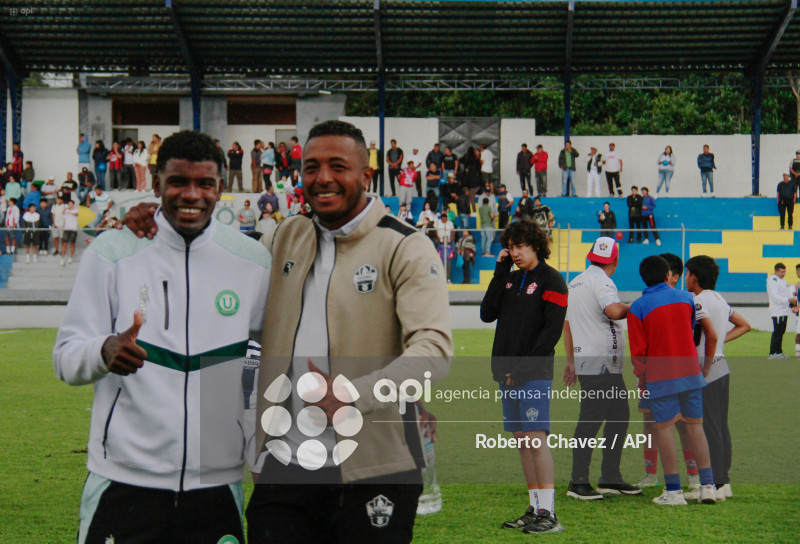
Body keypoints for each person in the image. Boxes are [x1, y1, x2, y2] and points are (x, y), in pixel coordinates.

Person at [241, 120, 451, 544]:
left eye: (338, 166)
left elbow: (434, 350)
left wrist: (356, 395)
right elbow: (227, 296)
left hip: (377, 465)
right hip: (288, 460)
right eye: (311, 167)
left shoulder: (404, 245)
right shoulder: (283, 236)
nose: (323, 178)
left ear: (366, 176)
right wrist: (156, 222)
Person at [55, 130, 270, 544]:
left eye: (205, 183)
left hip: (216, 484)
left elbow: (270, 363)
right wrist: (103, 350)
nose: (192, 194)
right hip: (123, 480)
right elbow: (65, 356)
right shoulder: (113, 253)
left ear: (220, 188)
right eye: (178, 182)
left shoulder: (251, 262)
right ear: (156, 185)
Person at [480, 220, 568, 534]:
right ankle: (534, 508)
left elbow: (551, 333)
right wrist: (500, 272)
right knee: (522, 441)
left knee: (535, 439)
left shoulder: (553, 280)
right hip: (507, 374)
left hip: (533, 374)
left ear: (536, 246)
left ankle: (550, 514)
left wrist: (521, 371)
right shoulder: (510, 278)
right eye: (511, 246)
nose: (515, 252)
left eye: (521, 246)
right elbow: (487, 313)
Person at [627, 255, 717, 505]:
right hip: (690, 373)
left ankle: (674, 491)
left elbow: (638, 352)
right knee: (695, 427)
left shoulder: (637, 307)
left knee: (663, 430)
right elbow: (689, 331)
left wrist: (643, 380)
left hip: (659, 377)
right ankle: (707, 487)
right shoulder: (689, 299)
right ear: (668, 276)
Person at [563, 237, 640, 500]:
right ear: (615, 261)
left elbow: (567, 324)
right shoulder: (604, 282)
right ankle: (579, 481)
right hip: (602, 363)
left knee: (617, 416)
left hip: (590, 361)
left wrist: (571, 360)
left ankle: (609, 477)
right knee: (593, 420)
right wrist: (640, 306)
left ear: (590, 256)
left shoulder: (574, 283)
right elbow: (614, 311)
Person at [685, 255, 751, 501]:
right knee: (721, 426)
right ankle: (724, 482)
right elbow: (744, 325)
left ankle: (717, 483)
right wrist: (719, 344)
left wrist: (705, 364)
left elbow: (710, 335)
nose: (685, 278)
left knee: (709, 428)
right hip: (723, 367)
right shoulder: (719, 298)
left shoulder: (698, 300)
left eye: (687, 274)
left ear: (694, 277)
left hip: (709, 370)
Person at [768, 262, 796, 359]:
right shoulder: (773, 280)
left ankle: (779, 352)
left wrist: (791, 301)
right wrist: (788, 300)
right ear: (776, 271)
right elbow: (775, 297)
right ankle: (772, 353)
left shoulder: (782, 281)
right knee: (777, 332)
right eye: (781, 272)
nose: (783, 274)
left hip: (784, 311)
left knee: (781, 332)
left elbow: (786, 294)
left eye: (784, 272)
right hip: (777, 311)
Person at [435, 210, 456, 282]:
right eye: (442, 217)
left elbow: (453, 231)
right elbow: (435, 230)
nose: (443, 218)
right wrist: (437, 237)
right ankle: (440, 278)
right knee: (439, 263)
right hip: (440, 242)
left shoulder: (450, 223)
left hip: (448, 242)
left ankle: (448, 278)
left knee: (448, 264)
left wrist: (451, 238)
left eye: (445, 217)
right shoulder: (438, 222)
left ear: (446, 217)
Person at [461, 147, 482, 214]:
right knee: (471, 195)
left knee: (471, 195)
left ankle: (473, 211)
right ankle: (474, 211)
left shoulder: (466, 157)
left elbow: (460, 160)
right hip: (476, 182)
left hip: (470, 183)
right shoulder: (475, 161)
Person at [60, 199, 79, 266]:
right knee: (64, 244)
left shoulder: (76, 210)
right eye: (69, 204)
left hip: (73, 229)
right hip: (66, 229)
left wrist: (69, 212)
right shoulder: (66, 211)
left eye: (71, 203)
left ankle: (71, 257)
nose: (70, 205)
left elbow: (76, 214)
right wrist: (66, 209)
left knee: (72, 244)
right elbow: (63, 214)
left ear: (73, 204)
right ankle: (62, 258)